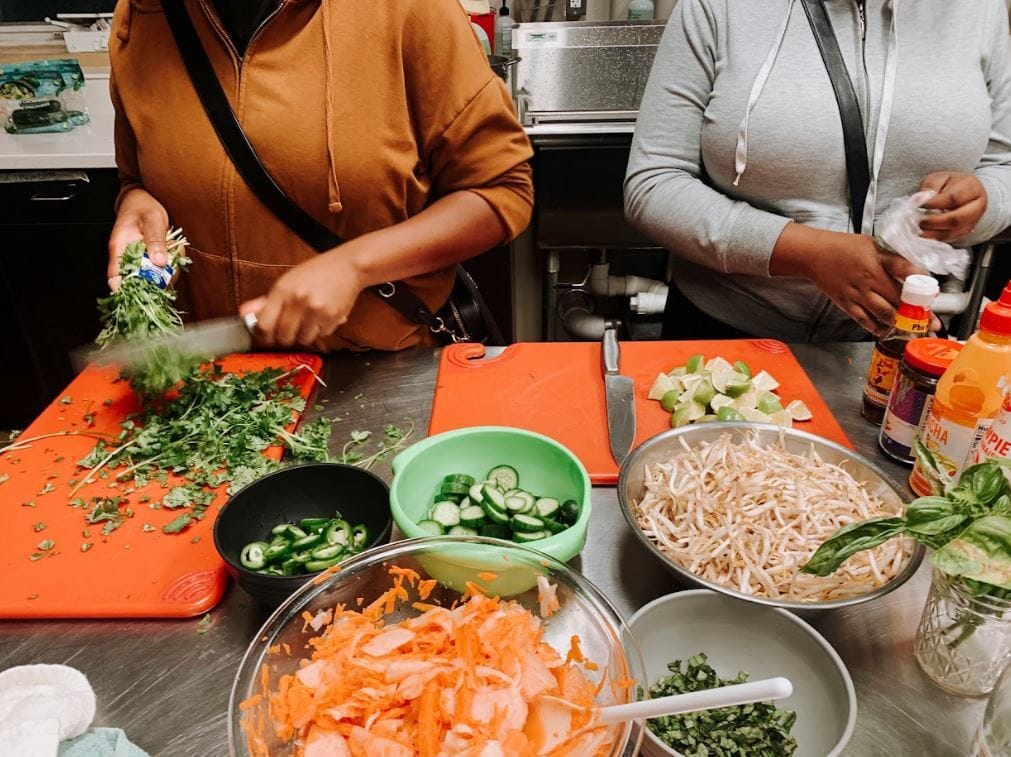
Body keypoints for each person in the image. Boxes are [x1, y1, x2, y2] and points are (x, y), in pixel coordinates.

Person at [107, 0, 533, 351]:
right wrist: (135, 203)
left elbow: (501, 191)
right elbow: (136, 178)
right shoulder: (143, 17)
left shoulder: (409, 10)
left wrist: (355, 266)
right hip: (209, 378)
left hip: (371, 371)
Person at [624, 0, 1011, 342]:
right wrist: (810, 253)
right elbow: (654, 183)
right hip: (725, 331)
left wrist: (982, 203)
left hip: (894, 335)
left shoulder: (980, 8)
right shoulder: (717, 6)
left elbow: (1003, 166)